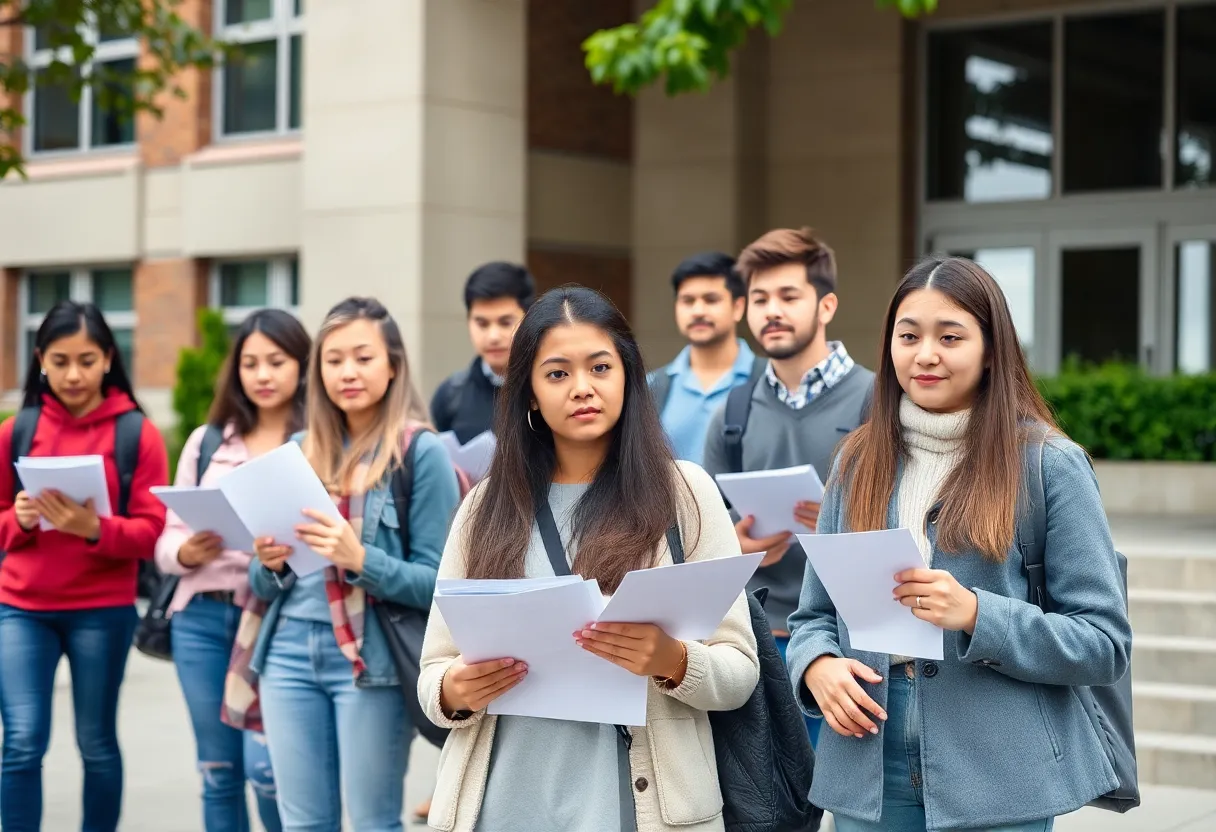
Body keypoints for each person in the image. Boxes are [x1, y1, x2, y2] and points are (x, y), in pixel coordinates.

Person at [786, 257, 1133, 831]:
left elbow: (1103, 644)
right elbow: (813, 616)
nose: (925, 355)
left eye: (950, 337)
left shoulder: (1048, 464)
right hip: (867, 761)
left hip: (998, 772)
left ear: (992, 348)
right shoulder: (857, 461)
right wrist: (816, 665)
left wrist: (977, 614)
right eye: (909, 336)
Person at [418, 285, 760, 832]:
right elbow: (434, 670)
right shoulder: (485, 507)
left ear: (627, 375)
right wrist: (454, 691)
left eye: (600, 367)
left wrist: (672, 660)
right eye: (557, 374)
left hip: (636, 804)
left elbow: (739, 671)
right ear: (528, 392)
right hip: (500, 802)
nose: (583, 388)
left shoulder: (685, 495)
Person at [236, 297, 460, 832]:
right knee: (303, 823)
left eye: (362, 357)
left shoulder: (420, 453)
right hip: (288, 651)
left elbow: (441, 585)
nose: (347, 372)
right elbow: (260, 583)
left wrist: (360, 559)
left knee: (373, 821)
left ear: (393, 366)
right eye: (333, 360)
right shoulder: (298, 448)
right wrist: (269, 563)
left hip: (371, 661)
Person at [0, 300, 169, 832]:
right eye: (61, 359)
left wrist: (92, 527)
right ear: (40, 360)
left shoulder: (136, 434)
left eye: (87, 360)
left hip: (103, 610)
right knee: (22, 741)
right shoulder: (16, 432)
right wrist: (20, 520)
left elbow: (151, 531)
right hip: (21, 608)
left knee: (95, 744)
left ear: (108, 359)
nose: (74, 374)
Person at [702, 227, 874, 746]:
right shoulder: (730, 414)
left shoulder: (879, 403)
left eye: (788, 296)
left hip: (850, 645)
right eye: (759, 299)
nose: (771, 310)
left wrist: (840, 522)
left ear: (826, 306)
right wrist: (735, 545)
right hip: (754, 641)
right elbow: (699, 539)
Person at [156, 309, 311, 832]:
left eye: (276, 361)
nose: (263, 375)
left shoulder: (316, 444)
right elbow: (166, 540)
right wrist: (185, 553)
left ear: (302, 367)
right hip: (199, 617)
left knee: (267, 770)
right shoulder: (206, 442)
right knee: (218, 770)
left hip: (275, 618)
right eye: (251, 363)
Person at [647, 252, 763, 465]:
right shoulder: (651, 387)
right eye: (687, 301)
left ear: (738, 307)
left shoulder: (770, 380)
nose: (698, 311)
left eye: (711, 300)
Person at [430, 261, 536, 444]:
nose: (493, 336)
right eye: (482, 324)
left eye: (505, 322)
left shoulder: (549, 388)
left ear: (529, 319)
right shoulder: (450, 395)